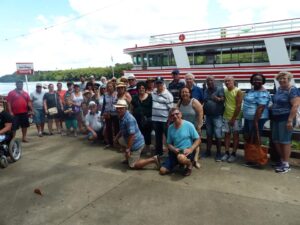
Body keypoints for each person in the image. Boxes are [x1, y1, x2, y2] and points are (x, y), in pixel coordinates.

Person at [114, 99, 160, 169]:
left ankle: (153, 159)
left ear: (125, 108)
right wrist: (116, 137)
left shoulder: (129, 119)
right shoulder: (121, 116)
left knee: (133, 165)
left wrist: (128, 149)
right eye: (117, 108)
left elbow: (132, 135)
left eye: (121, 108)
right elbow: (122, 129)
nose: (118, 110)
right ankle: (128, 158)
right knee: (119, 140)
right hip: (129, 139)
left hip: (136, 143)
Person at [271, 71, 300, 173]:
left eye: (284, 78)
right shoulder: (279, 89)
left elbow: (295, 105)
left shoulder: (293, 90)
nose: (282, 80)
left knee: (285, 141)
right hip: (276, 118)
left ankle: (286, 164)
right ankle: (282, 160)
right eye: (280, 79)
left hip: (286, 118)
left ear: (289, 79)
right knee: (276, 140)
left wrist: (290, 120)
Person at [159, 108, 201, 176]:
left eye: (177, 114)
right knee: (162, 171)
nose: (175, 116)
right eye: (172, 115)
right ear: (171, 117)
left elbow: (198, 139)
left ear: (181, 114)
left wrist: (191, 149)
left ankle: (190, 164)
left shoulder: (189, 125)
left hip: (187, 151)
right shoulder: (170, 128)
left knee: (181, 157)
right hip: (176, 151)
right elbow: (168, 143)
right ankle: (179, 163)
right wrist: (173, 149)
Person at [243, 73, 271, 167]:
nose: (256, 81)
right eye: (255, 79)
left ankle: (256, 160)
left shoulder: (263, 92)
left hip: (257, 119)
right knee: (248, 136)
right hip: (248, 118)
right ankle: (251, 156)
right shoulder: (251, 90)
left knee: (255, 137)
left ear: (263, 81)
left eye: (259, 80)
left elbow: (260, 108)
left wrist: (255, 121)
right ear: (252, 81)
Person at [177, 87, 203, 168]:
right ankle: (185, 158)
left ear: (190, 93)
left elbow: (200, 113)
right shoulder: (180, 102)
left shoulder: (194, 101)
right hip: (184, 127)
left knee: (196, 143)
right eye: (183, 92)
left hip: (194, 126)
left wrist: (199, 126)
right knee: (186, 142)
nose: (184, 94)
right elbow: (177, 112)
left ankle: (195, 160)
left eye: (186, 92)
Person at [203, 76, 225, 161]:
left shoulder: (219, 89)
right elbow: (204, 101)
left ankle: (218, 153)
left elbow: (223, 99)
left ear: (214, 81)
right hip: (208, 116)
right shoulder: (206, 90)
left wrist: (217, 98)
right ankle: (208, 151)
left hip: (217, 116)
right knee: (208, 134)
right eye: (208, 81)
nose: (209, 82)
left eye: (211, 80)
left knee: (218, 135)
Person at [221, 76, 243, 163]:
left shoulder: (238, 91)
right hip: (226, 116)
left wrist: (233, 118)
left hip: (236, 117)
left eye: (229, 81)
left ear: (233, 81)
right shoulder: (225, 90)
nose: (227, 82)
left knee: (235, 136)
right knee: (227, 135)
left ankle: (234, 153)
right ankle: (226, 152)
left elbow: (239, 106)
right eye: (225, 81)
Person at [151, 77, 174, 156]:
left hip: (165, 120)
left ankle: (171, 154)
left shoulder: (168, 95)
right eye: (157, 83)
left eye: (160, 83)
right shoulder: (153, 92)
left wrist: (169, 121)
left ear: (163, 83)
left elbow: (171, 110)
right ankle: (158, 154)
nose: (158, 84)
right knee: (158, 138)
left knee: (169, 138)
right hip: (155, 119)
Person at [131, 81, 153, 154]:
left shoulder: (150, 97)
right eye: (139, 88)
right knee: (139, 133)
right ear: (137, 89)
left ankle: (148, 148)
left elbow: (152, 108)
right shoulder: (134, 97)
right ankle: (140, 148)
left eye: (143, 88)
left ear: (145, 88)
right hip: (137, 119)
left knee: (147, 134)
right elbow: (132, 108)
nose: (141, 89)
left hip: (147, 119)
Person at [101, 81, 118, 147]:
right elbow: (104, 104)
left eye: (110, 86)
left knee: (117, 129)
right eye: (108, 86)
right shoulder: (105, 95)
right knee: (108, 128)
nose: (109, 87)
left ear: (113, 87)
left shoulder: (117, 94)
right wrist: (102, 114)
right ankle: (110, 143)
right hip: (107, 113)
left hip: (115, 113)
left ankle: (117, 143)